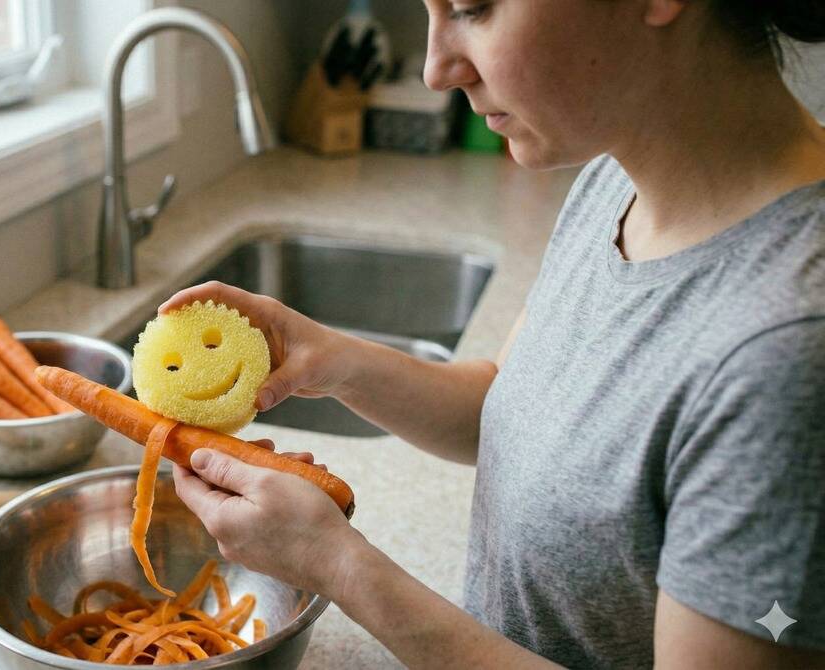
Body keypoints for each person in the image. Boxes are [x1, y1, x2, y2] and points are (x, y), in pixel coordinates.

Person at [160, 1, 825, 667]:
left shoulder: (785, 351)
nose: (435, 69)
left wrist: (337, 565)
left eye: (473, 8)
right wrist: (332, 360)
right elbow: (510, 410)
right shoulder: (615, 183)